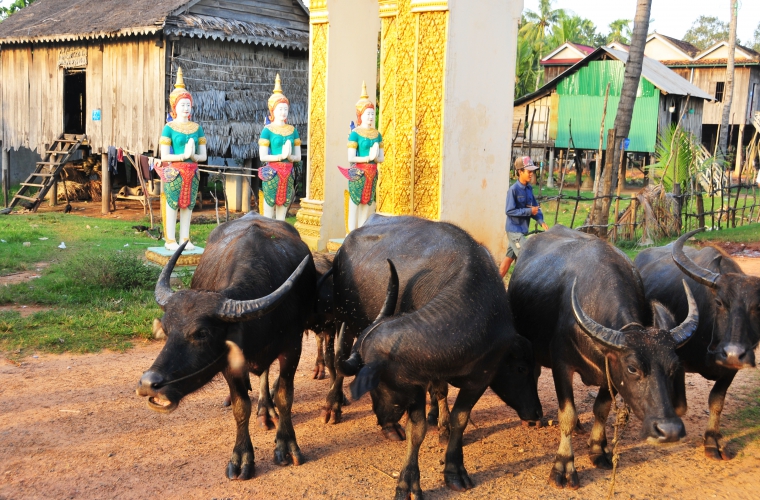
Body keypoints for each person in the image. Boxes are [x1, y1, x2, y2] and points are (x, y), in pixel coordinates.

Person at [156, 67, 207, 251]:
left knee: (188, 206)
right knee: (172, 204)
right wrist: (182, 156)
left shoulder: (197, 128)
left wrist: (192, 156)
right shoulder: (169, 127)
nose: (186, 108)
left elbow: (204, 155)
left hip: (192, 171)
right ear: (174, 107)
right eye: (182, 105)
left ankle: (185, 238)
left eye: (188, 105)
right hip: (174, 171)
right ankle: (170, 240)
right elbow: (164, 155)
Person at [339, 81, 384, 232]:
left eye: (372, 113)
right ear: (360, 115)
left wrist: (375, 156)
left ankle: (363, 233)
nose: (371, 117)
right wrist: (367, 158)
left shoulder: (377, 135)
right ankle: (351, 234)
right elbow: (351, 158)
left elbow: (381, 159)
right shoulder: (355, 133)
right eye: (368, 114)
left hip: (372, 173)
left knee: (367, 205)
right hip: (358, 173)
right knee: (355, 204)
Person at [258, 74, 301, 220]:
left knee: (283, 210)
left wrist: (289, 157)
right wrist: (280, 156)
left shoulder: (292, 130)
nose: (283, 112)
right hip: (272, 173)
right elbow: (263, 156)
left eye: (285, 109)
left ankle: (280, 237)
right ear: (273, 111)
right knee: (269, 208)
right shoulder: (267, 130)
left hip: (288, 173)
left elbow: (298, 156)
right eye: (280, 109)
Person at [499, 156, 548, 278]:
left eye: (532, 171)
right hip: (514, 230)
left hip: (521, 231)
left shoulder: (529, 189)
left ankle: (495, 284)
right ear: (520, 172)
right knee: (526, 257)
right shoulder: (513, 190)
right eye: (529, 171)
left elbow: (535, 208)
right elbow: (509, 210)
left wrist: (541, 221)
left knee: (508, 259)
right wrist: (529, 211)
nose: (531, 174)